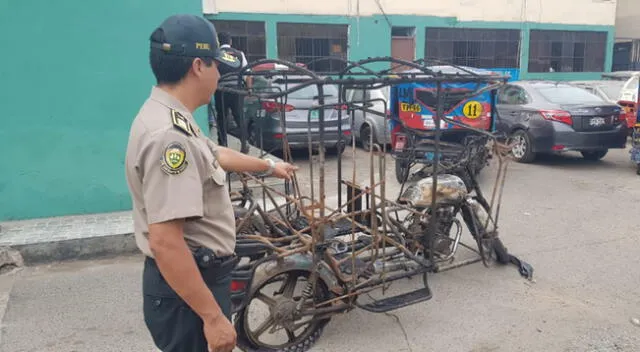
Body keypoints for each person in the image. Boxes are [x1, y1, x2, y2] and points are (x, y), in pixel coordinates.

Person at [124, 14, 298, 352]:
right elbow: (165, 242)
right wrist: (213, 318)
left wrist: (269, 166)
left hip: (193, 282)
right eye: (217, 66)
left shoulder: (171, 117)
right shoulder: (169, 138)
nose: (220, 75)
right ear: (198, 67)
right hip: (190, 289)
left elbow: (213, 153)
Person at [213, 31, 251, 134]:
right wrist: (249, 90)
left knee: (222, 117)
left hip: (221, 91)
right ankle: (245, 141)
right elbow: (247, 74)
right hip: (237, 90)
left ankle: (223, 143)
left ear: (218, 42)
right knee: (239, 116)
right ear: (230, 41)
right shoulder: (240, 54)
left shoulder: (215, 54)